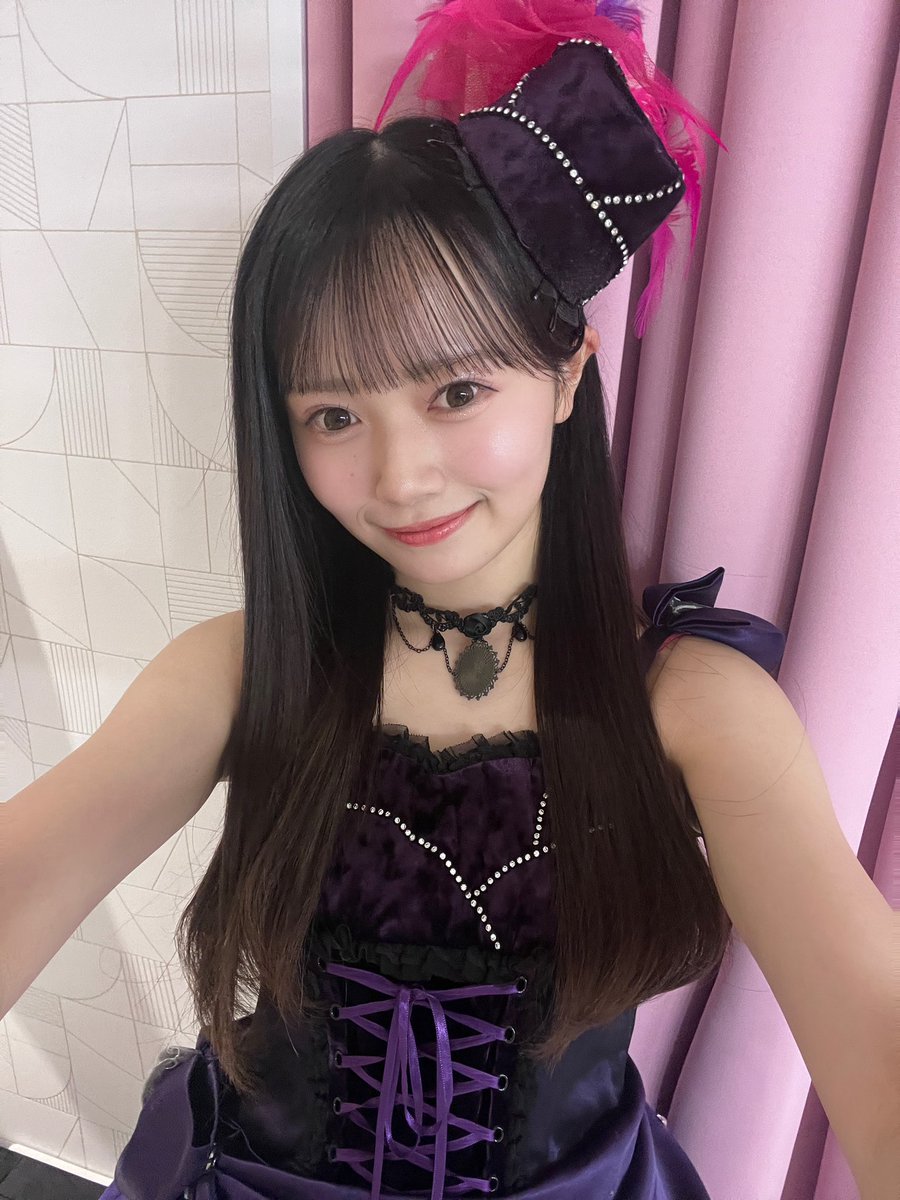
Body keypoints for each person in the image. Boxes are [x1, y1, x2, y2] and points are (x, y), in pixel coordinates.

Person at [1, 6, 792, 1199]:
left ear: (567, 371)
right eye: (333, 414)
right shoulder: (241, 672)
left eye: (456, 389)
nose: (400, 475)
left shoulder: (691, 704)